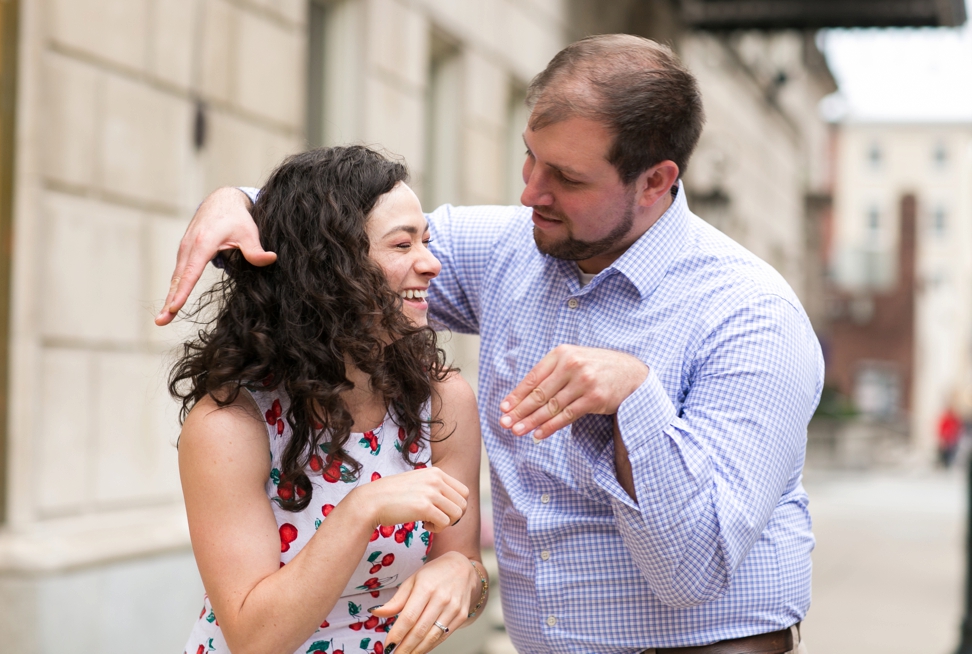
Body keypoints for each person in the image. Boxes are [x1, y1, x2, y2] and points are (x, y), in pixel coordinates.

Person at [159, 35, 820, 654]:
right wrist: (240, 201)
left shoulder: (752, 320)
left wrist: (634, 398)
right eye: (530, 155)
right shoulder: (513, 248)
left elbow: (693, 574)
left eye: (567, 176)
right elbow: (341, 246)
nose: (531, 191)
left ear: (654, 182)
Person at [170, 145, 488, 654]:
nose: (431, 264)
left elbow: (465, 565)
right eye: (403, 245)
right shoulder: (230, 425)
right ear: (329, 268)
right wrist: (361, 508)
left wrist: (463, 575)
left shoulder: (441, 399)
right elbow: (254, 637)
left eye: (426, 241)